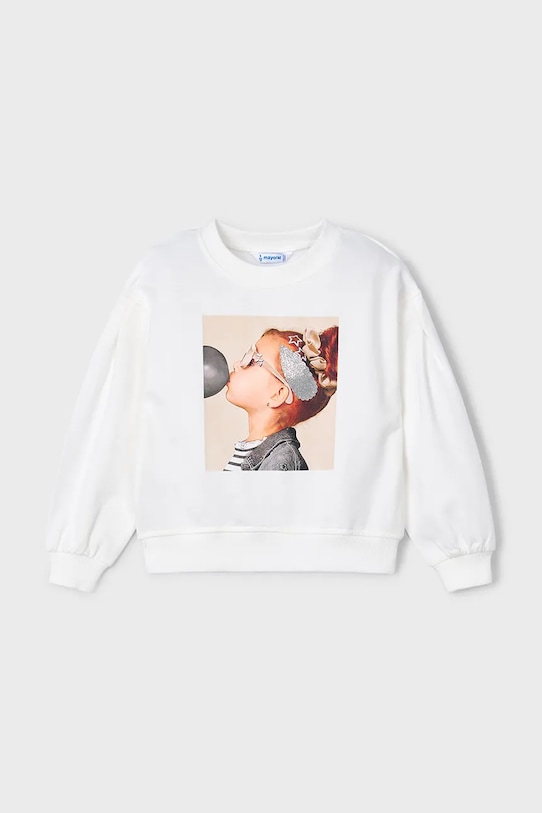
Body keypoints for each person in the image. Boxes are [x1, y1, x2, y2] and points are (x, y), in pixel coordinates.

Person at [223, 325, 338, 471]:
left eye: (251, 362)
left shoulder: (281, 462)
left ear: (277, 395)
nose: (236, 364)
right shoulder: (250, 451)